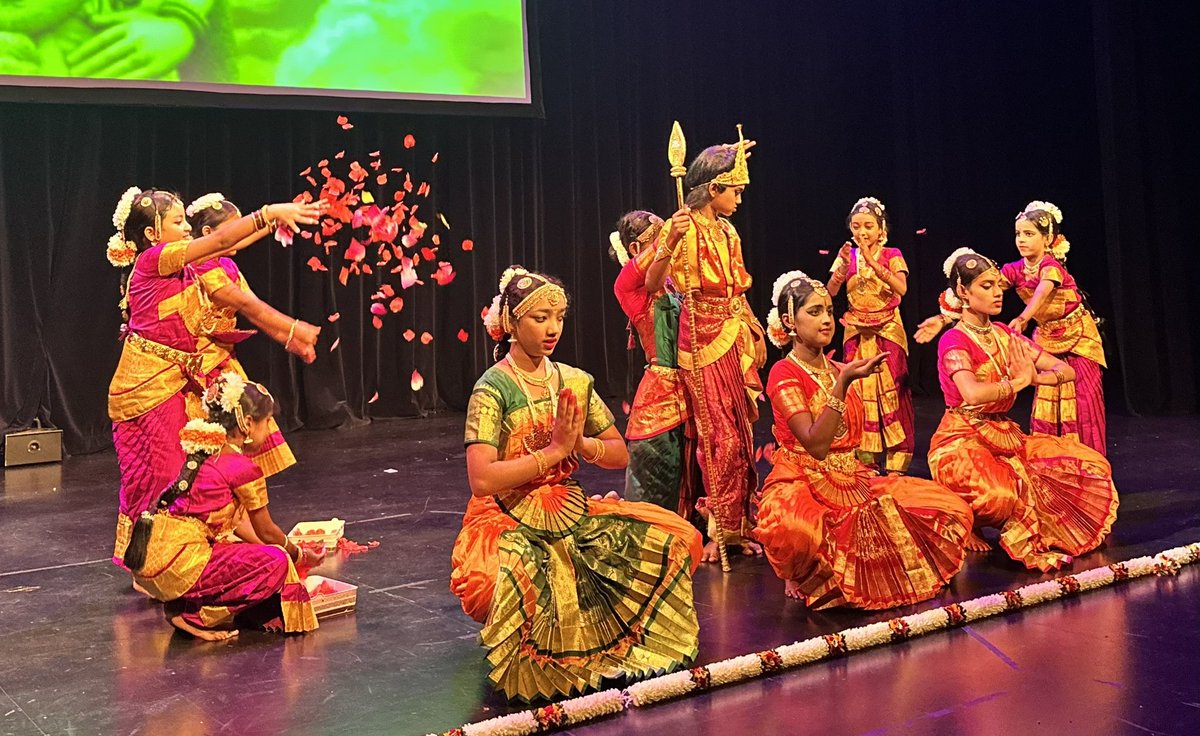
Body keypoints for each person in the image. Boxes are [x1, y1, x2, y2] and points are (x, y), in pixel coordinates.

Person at [449, 266, 703, 702]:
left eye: (559, 317)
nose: (552, 329)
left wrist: (579, 444)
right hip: (504, 516)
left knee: (679, 539)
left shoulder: (574, 380)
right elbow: (482, 478)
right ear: (511, 322)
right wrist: (551, 452)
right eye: (539, 318)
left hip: (569, 510)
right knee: (490, 583)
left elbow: (619, 452)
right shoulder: (492, 388)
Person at [108, 187, 324, 567]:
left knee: (179, 471)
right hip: (148, 387)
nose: (188, 229)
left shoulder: (180, 263)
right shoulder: (155, 259)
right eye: (178, 222)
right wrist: (268, 209)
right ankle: (157, 561)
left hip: (174, 381)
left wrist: (271, 220)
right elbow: (220, 239)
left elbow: (222, 243)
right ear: (152, 235)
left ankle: (172, 556)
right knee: (159, 474)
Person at [754, 271, 972, 607]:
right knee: (798, 531)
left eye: (828, 310)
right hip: (802, 481)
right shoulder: (785, 372)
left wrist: (843, 377)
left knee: (950, 508)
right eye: (814, 312)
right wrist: (843, 384)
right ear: (789, 321)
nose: (826, 320)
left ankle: (824, 570)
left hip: (851, 479)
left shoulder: (839, 367)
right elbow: (815, 444)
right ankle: (804, 568)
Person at [925, 249, 1118, 571]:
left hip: (1004, 435)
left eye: (998, 285)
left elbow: (1065, 370)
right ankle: (965, 515)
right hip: (961, 440)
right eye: (986, 286)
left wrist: (1036, 378)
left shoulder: (1004, 334)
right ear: (963, 291)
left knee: (1086, 465)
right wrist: (1018, 382)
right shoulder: (954, 340)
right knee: (1002, 495)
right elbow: (971, 394)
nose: (998, 292)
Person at [644, 127, 766, 566]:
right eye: (734, 189)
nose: (738, 198)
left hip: (732, 334)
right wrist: (669, 242)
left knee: (742, 433)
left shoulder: (729, 233)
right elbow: (653, 285)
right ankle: (718, 530)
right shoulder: (683, 228)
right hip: (700, 340)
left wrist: (754, 329)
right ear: (713, 188)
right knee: (719, 438)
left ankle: (738, 526)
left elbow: (738, 288)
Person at [122, 372, 323, 639]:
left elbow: (238, 523)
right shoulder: (242, 467)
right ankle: (195, 614)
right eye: (268, 422)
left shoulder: (205, 450)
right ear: (248, 424)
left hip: (152, 556)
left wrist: (264, 549)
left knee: (249, 553)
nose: (271, 430)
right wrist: (297, 555)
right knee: (277, 562)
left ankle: (183, 604)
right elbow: (266, 532)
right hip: (180, 561)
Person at [916, 201, 1107, 454]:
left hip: (1078, 337)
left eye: (1029, 234)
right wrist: (942, 318)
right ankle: (1053, 457)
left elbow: (1041, 290)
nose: (1021, 240)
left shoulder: (1051, 267)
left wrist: (1025, 320)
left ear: (1048, 237)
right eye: (1018, 233)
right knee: (1046, 406)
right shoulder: (1014, 272)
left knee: (1082, 402)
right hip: (965, 437)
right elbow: (974, 284)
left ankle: (1086, 459)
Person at [609, 210, 695, 516]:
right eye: (658, 236)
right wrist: (671, 235)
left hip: (694, 390)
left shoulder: (675, 284)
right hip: (661, 399)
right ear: (635, 249)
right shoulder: (628, 286)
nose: (671, 241)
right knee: (654, 502)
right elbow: (645, 271)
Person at [826, 197, 914, 474]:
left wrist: (875, 266)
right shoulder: (847, 255)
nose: (861, 232)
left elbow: (902, 289)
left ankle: (898, 460)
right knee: (858, 393)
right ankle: (866, 460)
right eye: (856, 226)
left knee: (893, 391)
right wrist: (840, 271)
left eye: (868, 226)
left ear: (881, 228)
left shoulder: (893, 254)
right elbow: (830, 292)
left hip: (888, 330)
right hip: (855, 329)